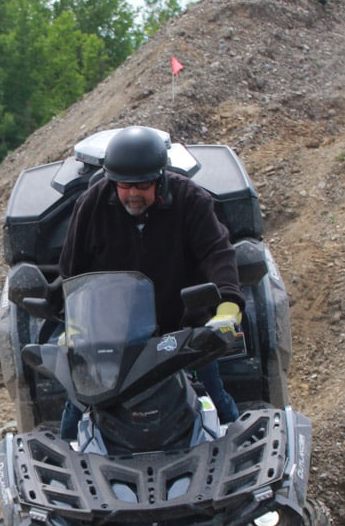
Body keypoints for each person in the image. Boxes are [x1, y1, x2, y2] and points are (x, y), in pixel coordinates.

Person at [57, 126, 245, 437]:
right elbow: (73, 273)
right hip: (112, 339)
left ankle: (241, 463)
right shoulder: (91, 205)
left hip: (182, 337)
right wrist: (74, 326)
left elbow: (218, 254)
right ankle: (63, 472)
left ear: (160, 178)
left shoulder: (191, 200)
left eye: (142, 185)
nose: (132, 194)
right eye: (123, 185)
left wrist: (227, 310)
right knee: (75, 415)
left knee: (220, 408)